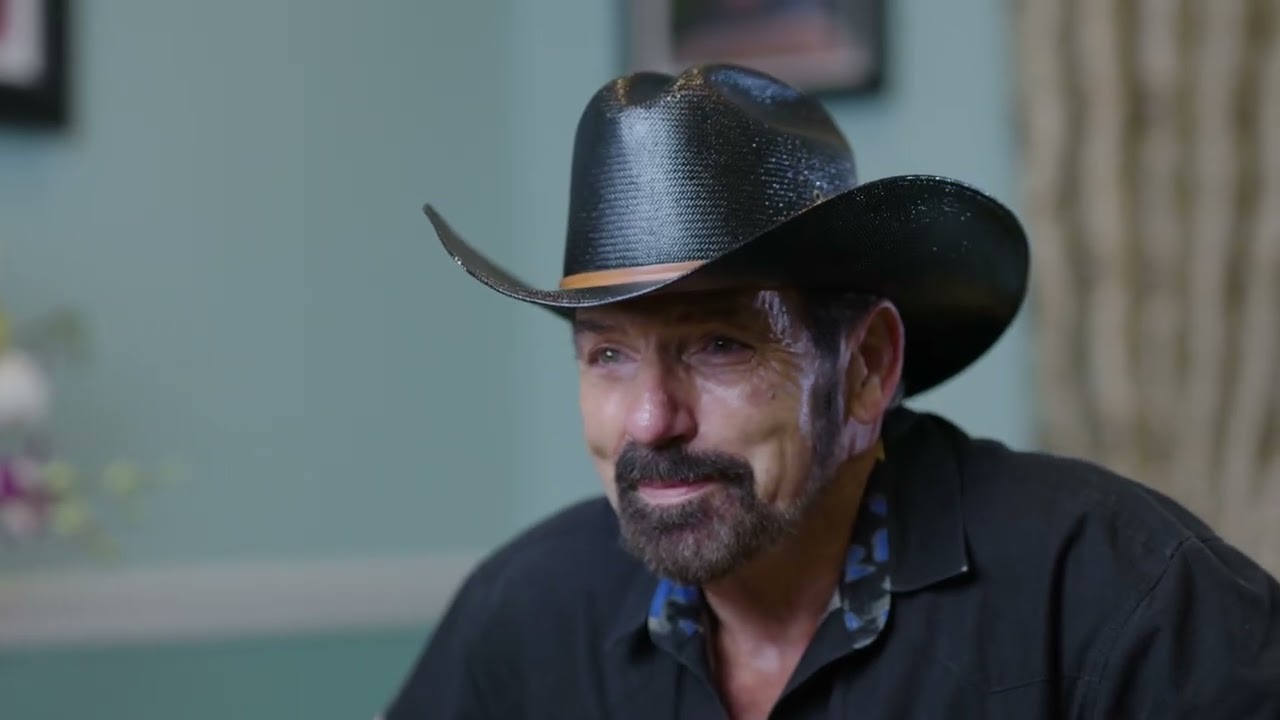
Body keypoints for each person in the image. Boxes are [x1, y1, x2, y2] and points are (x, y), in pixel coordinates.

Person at [381, 64, 1280, 719]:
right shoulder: (525, 617)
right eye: (607, 355)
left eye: (721, 345)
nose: (652, 420)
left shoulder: (1119, 598)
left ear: (865, 369)